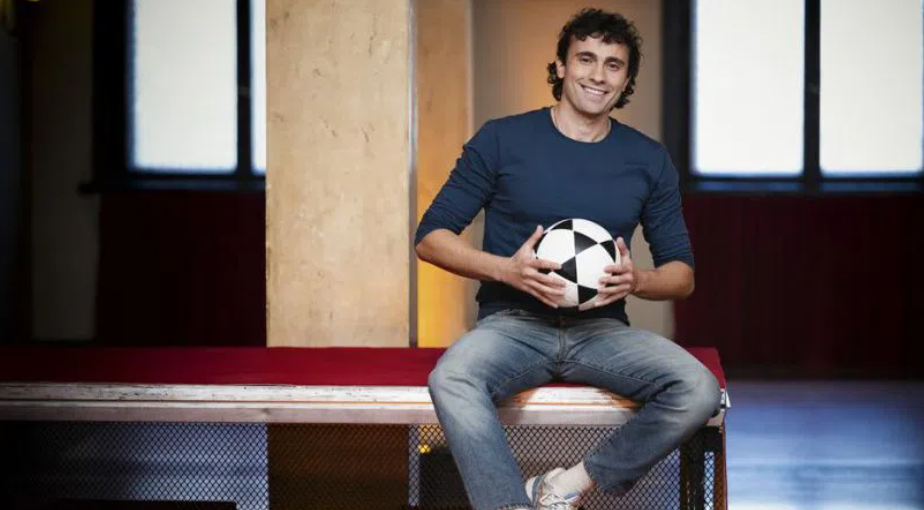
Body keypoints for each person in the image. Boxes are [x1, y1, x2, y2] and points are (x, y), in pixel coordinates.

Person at [414, 8, 720, 510]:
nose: (598, 75)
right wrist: (506, 270)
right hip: (512, 325)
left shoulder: (648, 159)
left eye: (614, 65)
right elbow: (431, 237)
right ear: (560, 67)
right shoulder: (501, 139)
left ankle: (569, 484)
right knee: (452, 376)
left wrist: (637, 279)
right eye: (585, 59)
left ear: (626, 81)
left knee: (698, 388)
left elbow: (681, 275)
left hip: (602, 331)